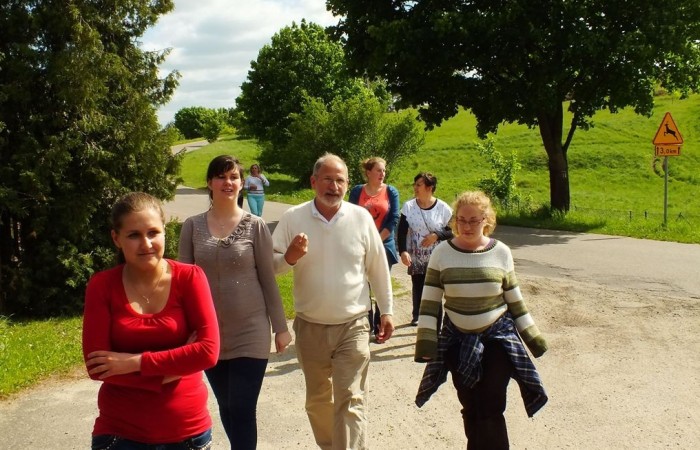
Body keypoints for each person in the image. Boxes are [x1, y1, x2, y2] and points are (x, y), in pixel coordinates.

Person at [272, 153, 394, 450]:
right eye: (327, 179)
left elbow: (378, 267)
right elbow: (271, 265)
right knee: (317, 401)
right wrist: (289, 257)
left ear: (348, 184)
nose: (334, 186)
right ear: (313, 182)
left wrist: (387, 311)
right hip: (310, 326)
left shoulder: (360, 218)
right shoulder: (293, 217)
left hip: (353, 325)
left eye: (340, 180)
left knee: (351, 399)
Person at [82, 192, 220, 450]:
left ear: (165, 232)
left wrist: (133, 362)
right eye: (134, 235)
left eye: (153, 233)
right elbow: (98, 367)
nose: (146, 243)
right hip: (119, 434)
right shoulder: (102, 285)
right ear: (116, 238)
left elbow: (208, 352)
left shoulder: (190, 278)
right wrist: (174, 368)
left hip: (187, 434)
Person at [414, 191, 548, 450]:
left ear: (486, 220)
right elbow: (430, 302)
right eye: (461, 220)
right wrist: (426, 343)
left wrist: (533, 337)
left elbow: (514, 299)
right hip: (457, 341)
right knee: (471, 406)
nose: (467, 226)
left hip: (498, 340)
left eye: (474, 220)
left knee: (491, 405)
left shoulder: (501, 252)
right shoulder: (442, 253)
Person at [178, 155, 292, 450]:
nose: (227, 182)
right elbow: (183, 284)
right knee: (227, 406)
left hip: (250, 331)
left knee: (241, 407)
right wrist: (183, 329)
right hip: (209, 335)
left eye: (233, 177)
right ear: (209, 183)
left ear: (242, 184)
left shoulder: (256, 226)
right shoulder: (192, 226)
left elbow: (268, 278)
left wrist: (281, 327)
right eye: (221, 176)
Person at [348, 156, 400, 341]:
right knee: (363, 286)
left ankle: (381, 326)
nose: (382, 173)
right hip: (360, 245)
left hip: (384, 245)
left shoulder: (391, 191)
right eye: (379, 170)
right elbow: (350, 215)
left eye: (384, 170)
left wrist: (376, 241)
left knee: (380, 284)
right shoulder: (357, 191)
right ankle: (366, 326)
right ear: (368, 172)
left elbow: (394, 218)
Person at [397, 172, 453, 327]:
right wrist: (403, 251)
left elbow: (453, 230)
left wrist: (437, 235)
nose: (415, 188)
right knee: (418, 285)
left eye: (419, 185)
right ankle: (417, 315)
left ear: (429, 187)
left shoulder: (443, 208)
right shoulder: (408, 207)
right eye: (415, 184)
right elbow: (401, 231)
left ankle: (437, 322)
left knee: (435, 289)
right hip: (416, 256)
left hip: (437, 257)